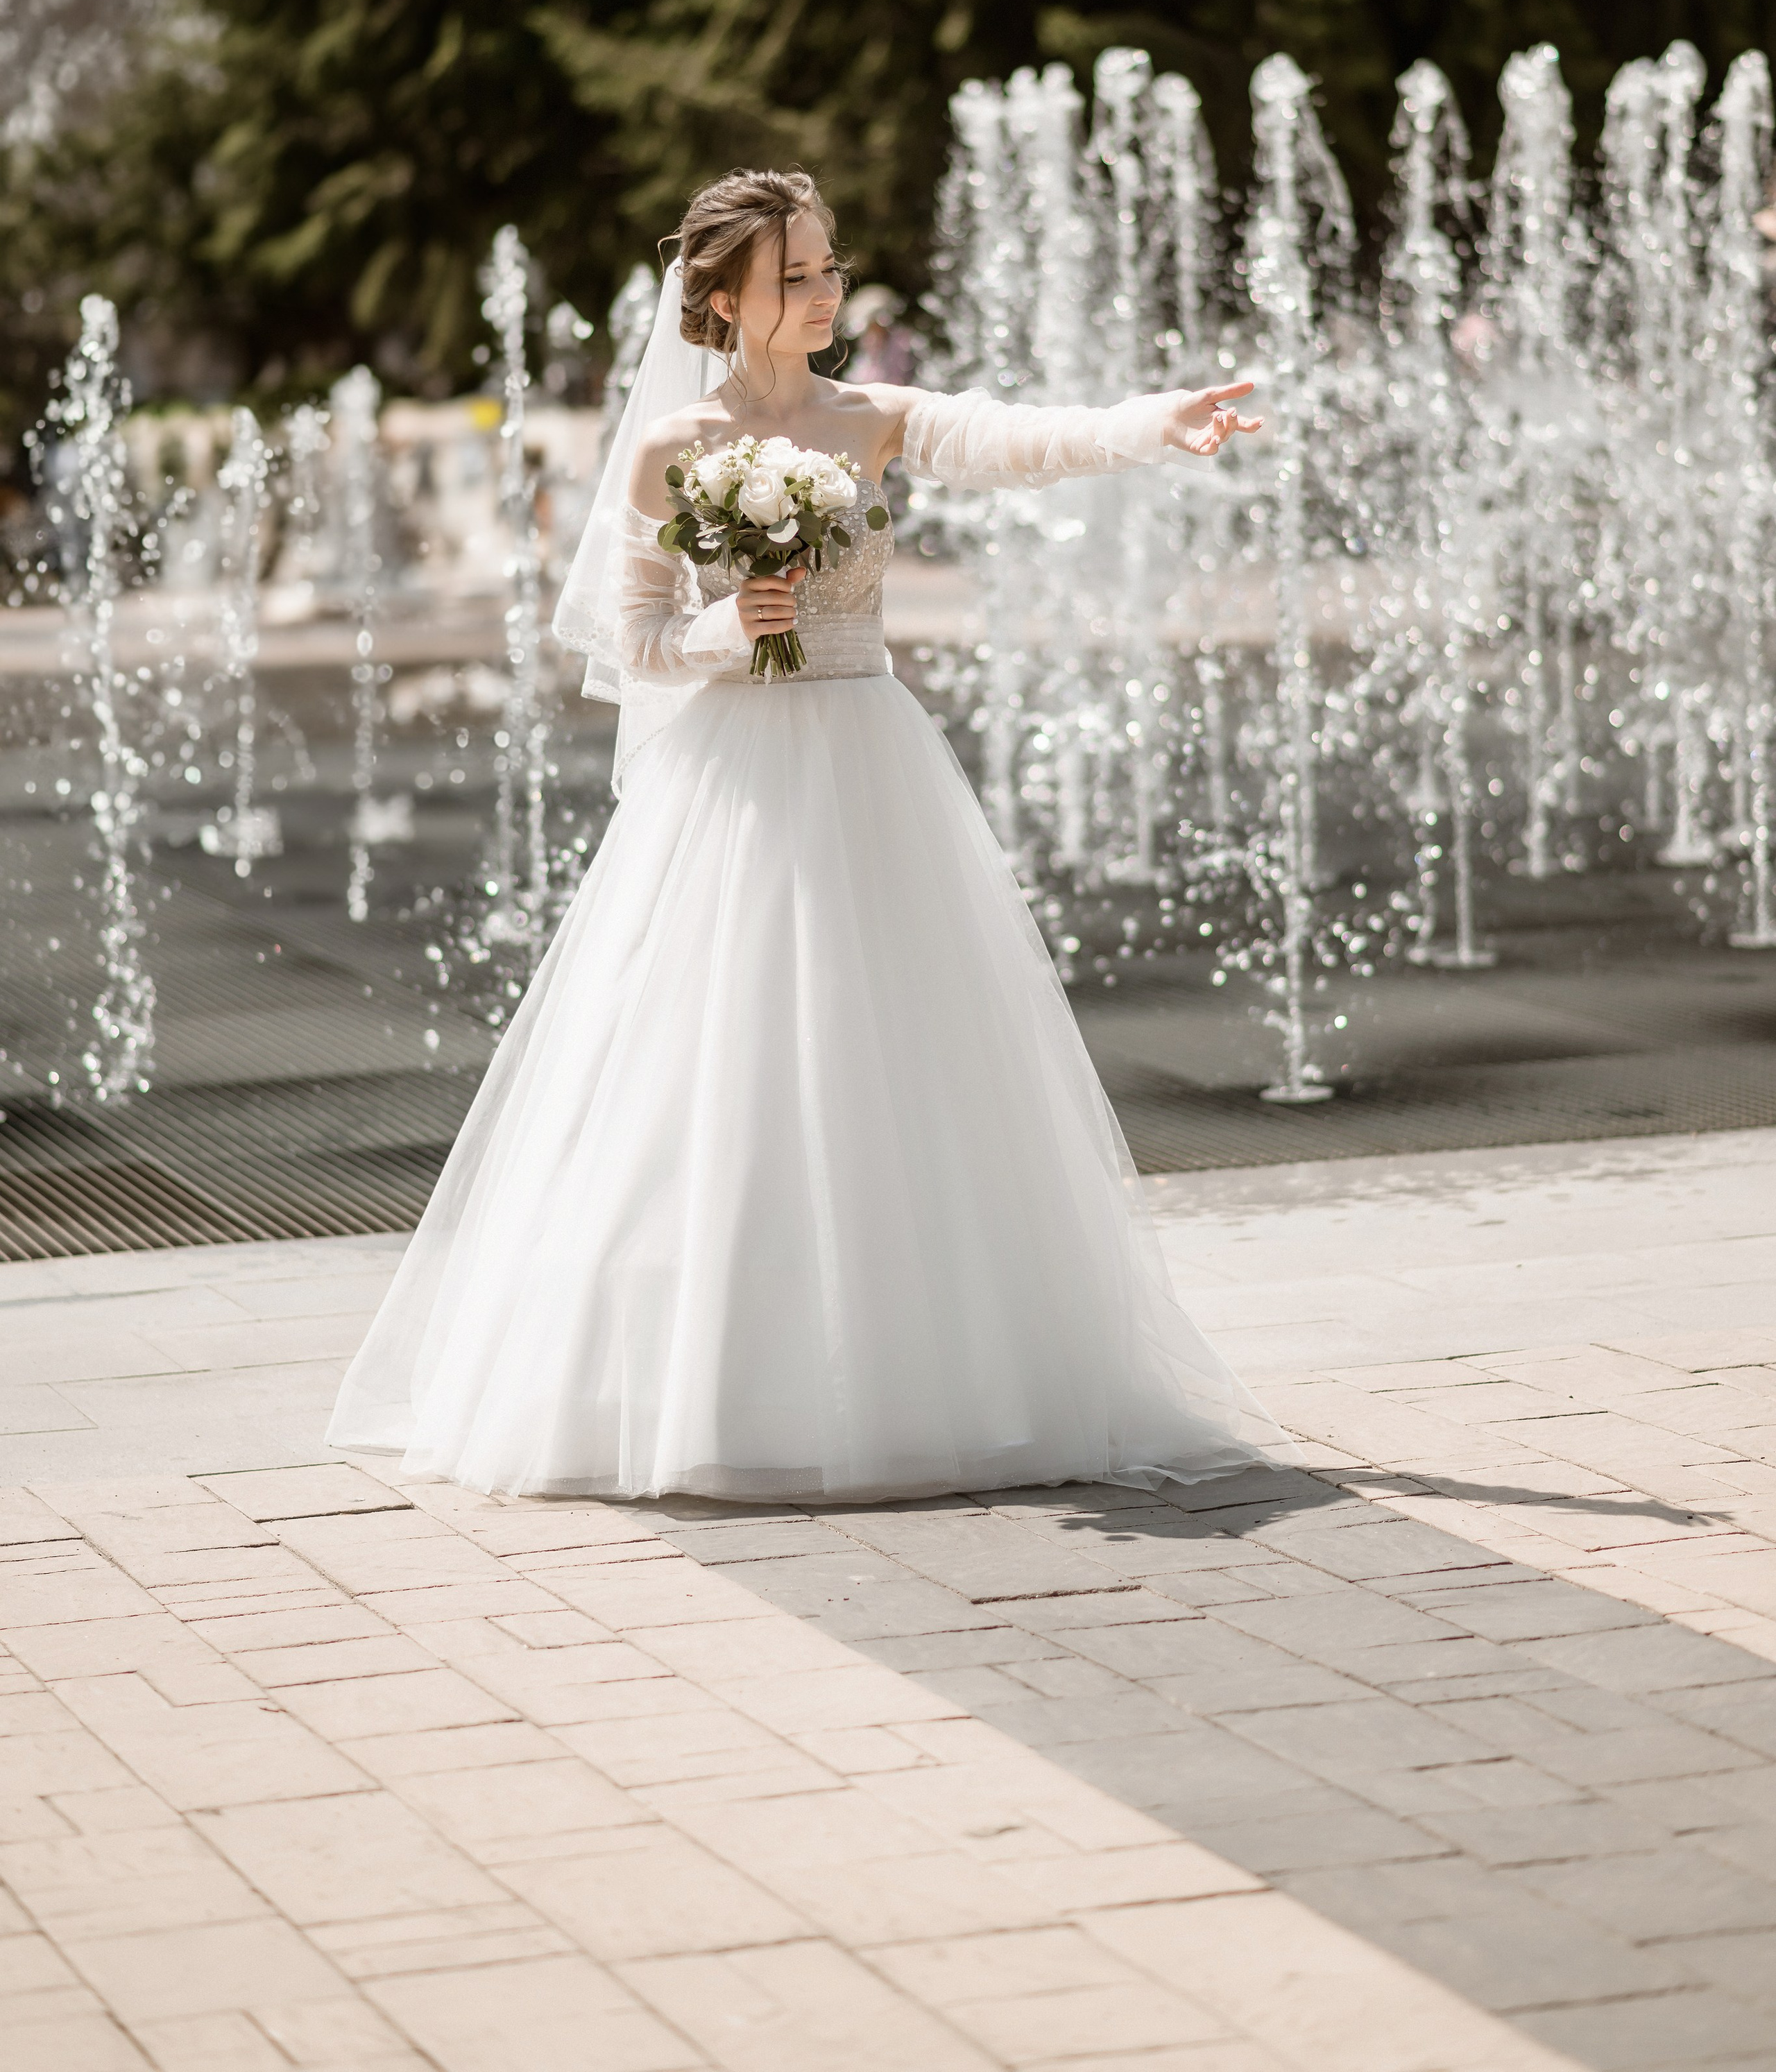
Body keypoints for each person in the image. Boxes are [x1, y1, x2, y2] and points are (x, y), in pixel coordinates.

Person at [327, 167, 1293, 1501]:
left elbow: (1015, 436)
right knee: (716, 1063)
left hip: (871, 758)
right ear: (723, 301)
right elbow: (640, 641)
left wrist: (1149, 423)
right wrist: (734, 631)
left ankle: (934, 1375)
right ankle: (710, 1383)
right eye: (799, 275)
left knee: (894, 1055)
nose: (827, 292)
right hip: (729, 788)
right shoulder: (673, 450)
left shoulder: (870, 418)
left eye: (832, 267)